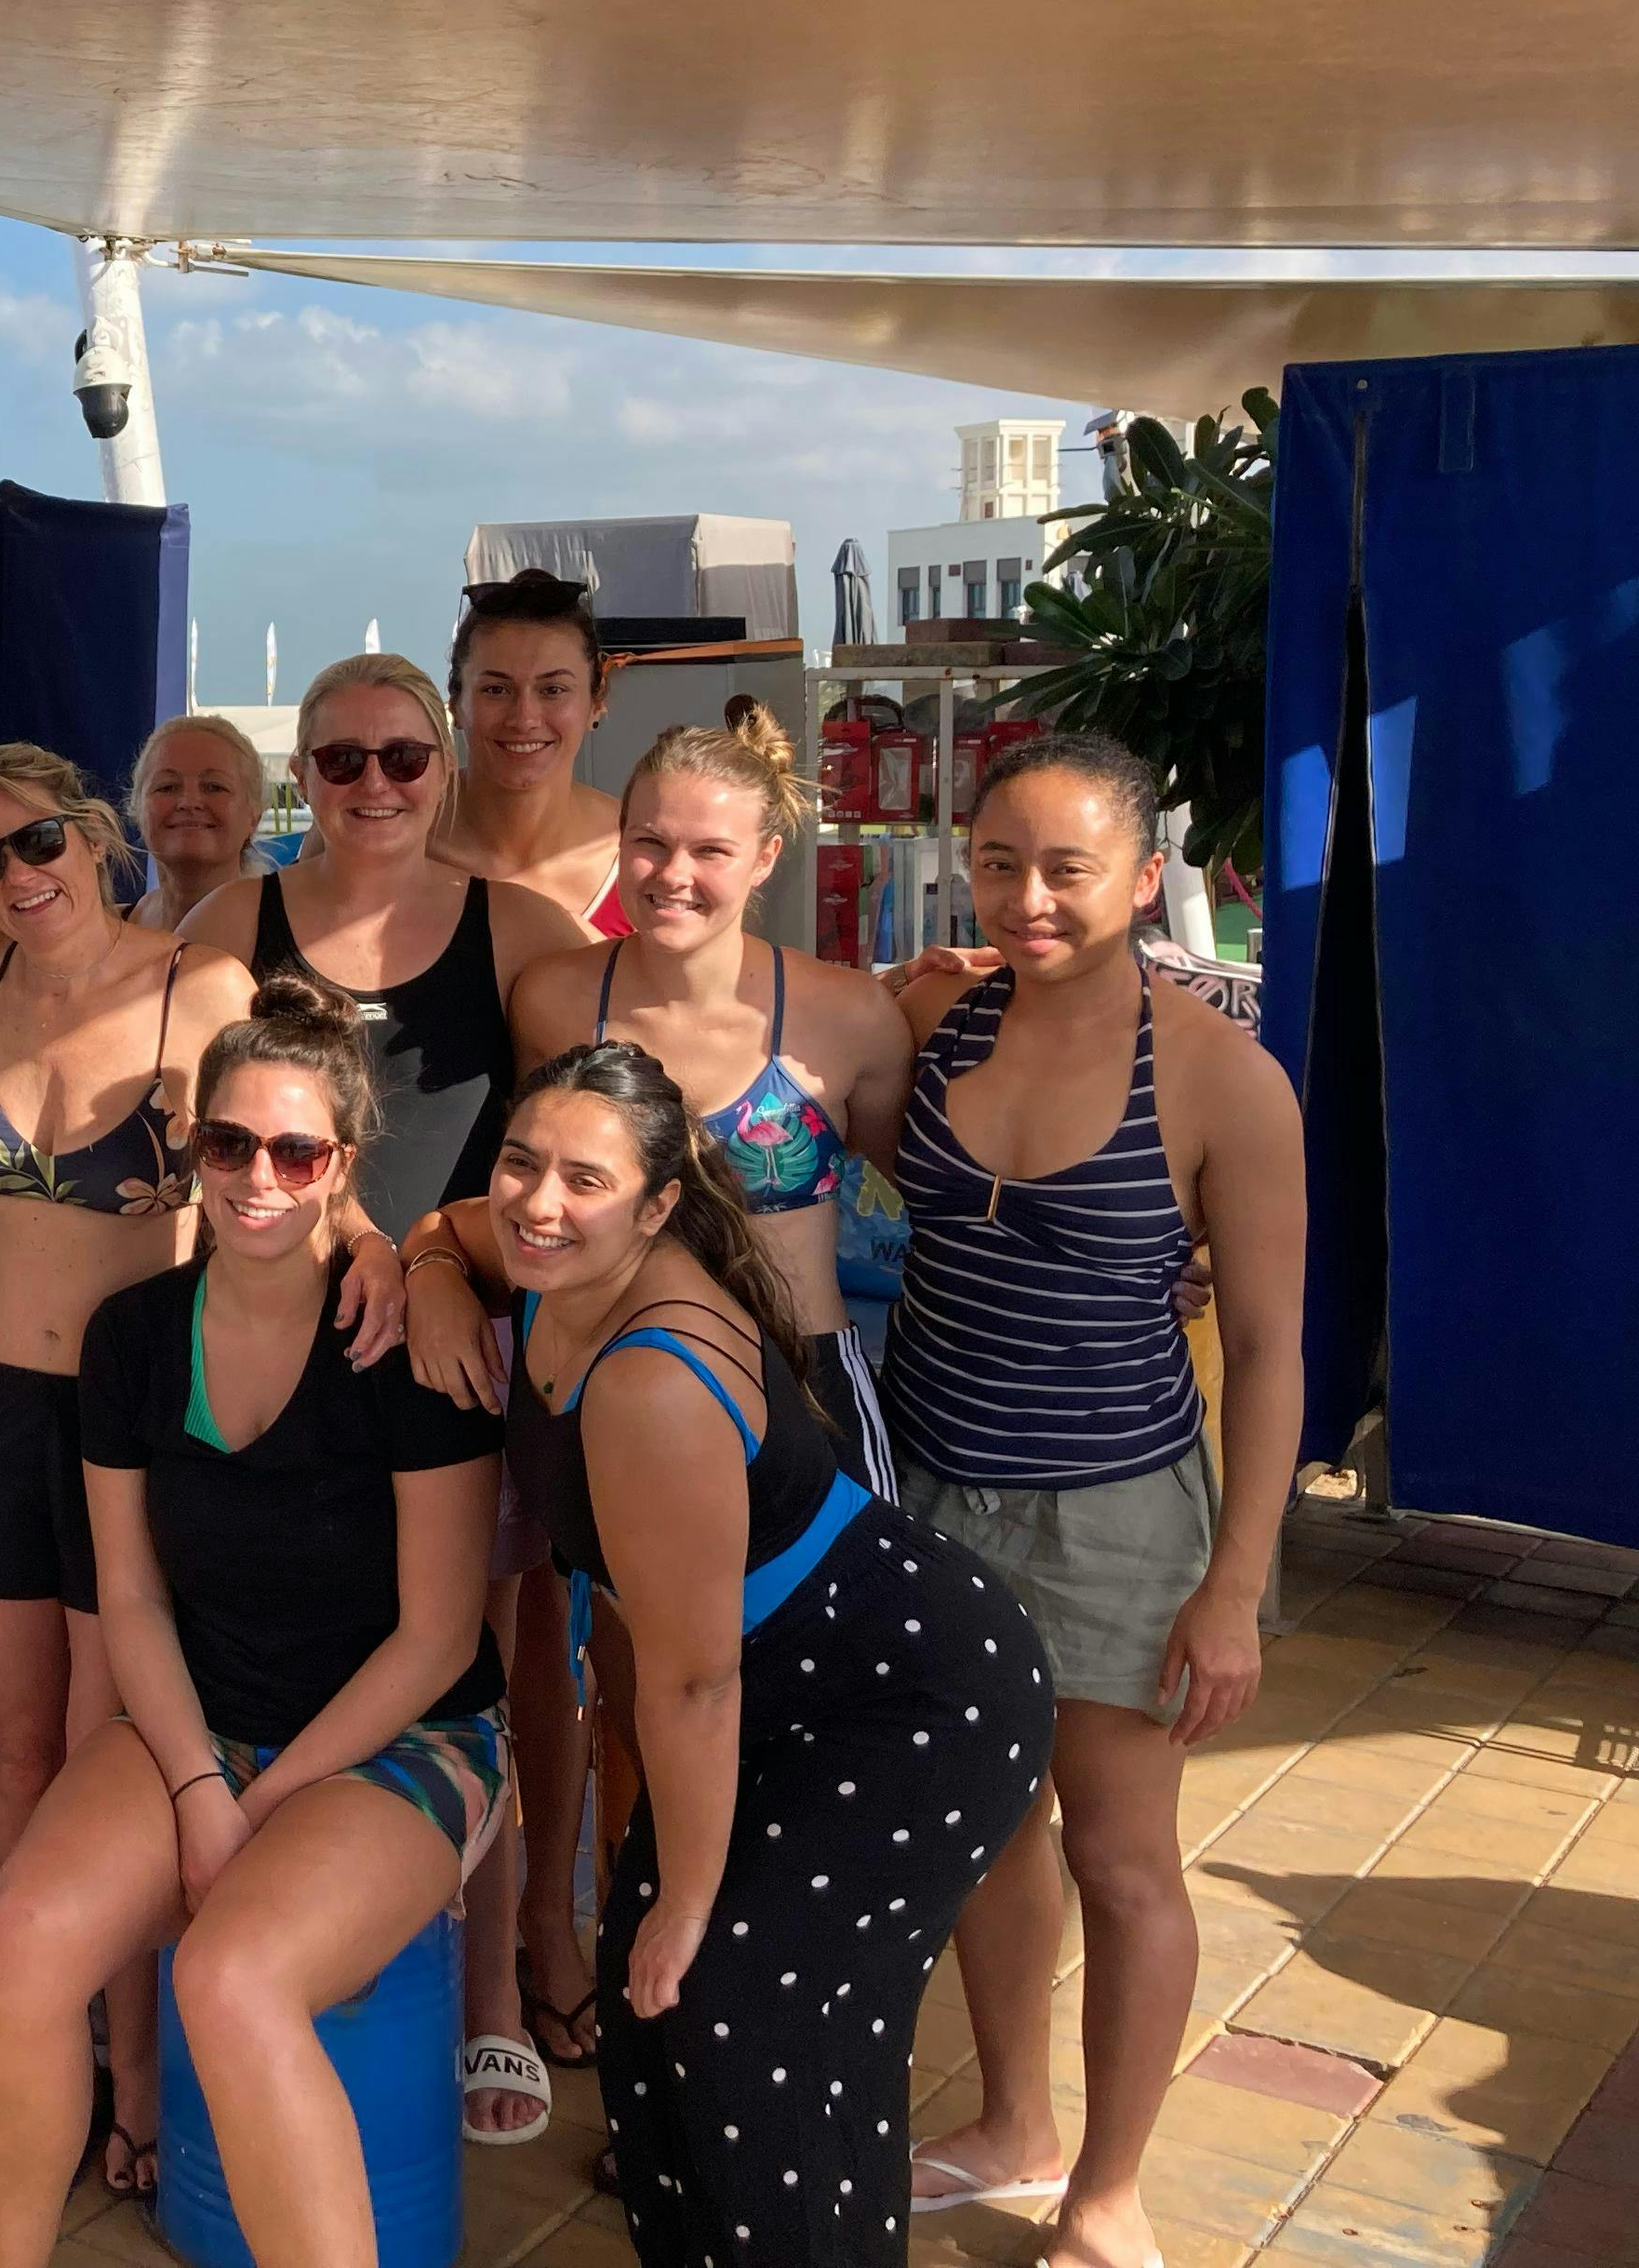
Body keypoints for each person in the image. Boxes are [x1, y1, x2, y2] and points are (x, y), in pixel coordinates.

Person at [405, 1041, 1055, 2267]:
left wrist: (691, 1902)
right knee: (653, 2041)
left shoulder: (653, 1378)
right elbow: (453, 1229)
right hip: (775, 1685)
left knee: (757, 2033)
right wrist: (435, 1267)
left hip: (903, 1697)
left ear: (658, 1208)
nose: (540, 1202)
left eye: (584, 1180)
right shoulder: (546, 1252)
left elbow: (693, 1680)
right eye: (520, 1163)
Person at [0, 974, 509, 2268]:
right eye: (227, 1143)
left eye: (295, 1148)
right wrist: (207, 1789)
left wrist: (260, 1805)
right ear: (190, 1150)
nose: (258, 1175)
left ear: (343, 1166)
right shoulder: (135, 1338)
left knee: (231, 1981)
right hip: (195, 1723)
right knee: (25, 1947)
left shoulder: (408, 1349)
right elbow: (133, 1596)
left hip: (401, 1738)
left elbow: (434, 1641)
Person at [881, 735, 1304, 2268]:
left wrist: (1232, 1579)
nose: (1028, 896)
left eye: (1066, 867)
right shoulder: (930, 1010)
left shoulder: (1219, 1077)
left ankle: (1105, 2193)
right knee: (994, 1830)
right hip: (930, 1482)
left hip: (1113, 1510)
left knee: (1122, 1857)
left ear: (1141, 878)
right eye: (999, 861)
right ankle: (1011, 2119)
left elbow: (1264, 1349)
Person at [480, 707, 918, 2088]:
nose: (672, 874)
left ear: (768, 853)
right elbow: (519, 1186)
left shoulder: (847, 1012)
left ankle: (795, 2028)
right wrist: (440, 1267)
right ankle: (653, 2016)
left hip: (805, 1412)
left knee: (800, 1720)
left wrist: (1166, 1266)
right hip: (624, 1409)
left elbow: (936, 1202)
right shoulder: (560, 998)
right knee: (640, 1707)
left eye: (707, 851)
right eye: (649, 842)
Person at [180, 651, 579, 2139]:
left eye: (404, 759)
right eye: (339, 762)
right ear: (305, 776)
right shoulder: (240, 921)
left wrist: (432, 1262)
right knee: (318, 1636)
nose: (373, 788)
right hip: (296, 1339)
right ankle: (301, 1926)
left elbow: (588, 1128)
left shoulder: (518, 931)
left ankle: (492, 1990)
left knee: (485, 1662)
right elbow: (175, 1076)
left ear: (443, 767)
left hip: (453, 1352)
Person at [0, 742, 260, 2194]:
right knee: (16, 1752)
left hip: (121, 1423)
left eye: (35, 842)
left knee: (129, 1762)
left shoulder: (200, 989)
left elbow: (298, 1166)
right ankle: (38, 2053)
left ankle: (141, 2073)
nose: (15, 878)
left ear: (93, 833)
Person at [433, 568, 629, 931]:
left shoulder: (644, 857)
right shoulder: (396, 843)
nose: (524, 718)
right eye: (496, 689)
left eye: (553, 690)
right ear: (456, 704)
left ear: (595, 703)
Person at [126, 712, 270, 935]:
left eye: (214, 787)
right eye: (167, 787)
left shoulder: (296, 937)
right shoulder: (111, 933)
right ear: (137, 809)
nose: (189, 803)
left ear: (254, 815)